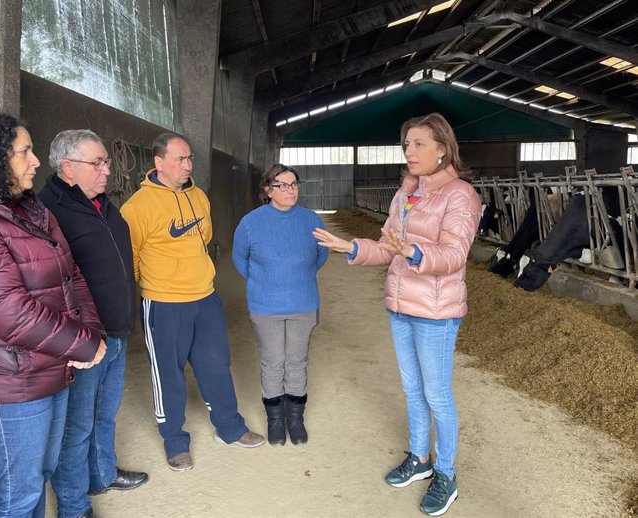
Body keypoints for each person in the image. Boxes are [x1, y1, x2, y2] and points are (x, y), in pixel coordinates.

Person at [313, 113, 480, 516]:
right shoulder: (408, 193)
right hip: (401, 305)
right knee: (412, 389)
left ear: (443, 148)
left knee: (437, 394)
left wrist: (415, 252)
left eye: (419, 143)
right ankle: (419, 458)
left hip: (436, 311)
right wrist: (350, 246)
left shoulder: (460, 195)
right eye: (406, 144)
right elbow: (387, 246)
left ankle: (445, 473)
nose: (410, 151)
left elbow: (456, 255)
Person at [0, 112, 107, 518]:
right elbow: (10, 311)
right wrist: (85, 343)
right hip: (7, 383)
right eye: (24, 152)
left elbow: (72, 275)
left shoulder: (29, 209)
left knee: (40, 476)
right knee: (18, 494)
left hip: (50, 367)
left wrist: (92, 330)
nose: (36, 161)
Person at [120, 132, 264, 472]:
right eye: (179, 160)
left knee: (216, 364)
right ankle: (174, 441)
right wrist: (159, 284)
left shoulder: (199, 197)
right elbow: (132, 257)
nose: (188, 165)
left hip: (205, 298)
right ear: (158, 163)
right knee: (168, 374)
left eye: (189, 159)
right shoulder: (136, 208)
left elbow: (206, 239)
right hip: (164, 304)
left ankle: (230, 427)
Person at [39, 129, 149, 518]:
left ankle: (101, 474)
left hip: (117, 330)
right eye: (98, 162)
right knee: (77, 424)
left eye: (107, 161)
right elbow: (50, 285)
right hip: (84, 340)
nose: (107, 169)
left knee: (105, 413)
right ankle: (72, 504)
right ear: (68, 167)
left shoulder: (104, 204)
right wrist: (76, 339)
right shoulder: (48, 211)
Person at [232, 164, 328, 446]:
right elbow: (241, 261)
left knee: (297, 361)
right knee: (273, 362)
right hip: (266, 307)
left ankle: (295, 419)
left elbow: (321, 257)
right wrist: (266, 282)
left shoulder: (311, 220)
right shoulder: (251, 223)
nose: (290, 190)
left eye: (294, 184)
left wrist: (297, 277)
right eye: (282, 185)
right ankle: (275, 421)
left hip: (303, 303)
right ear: (267, 190)